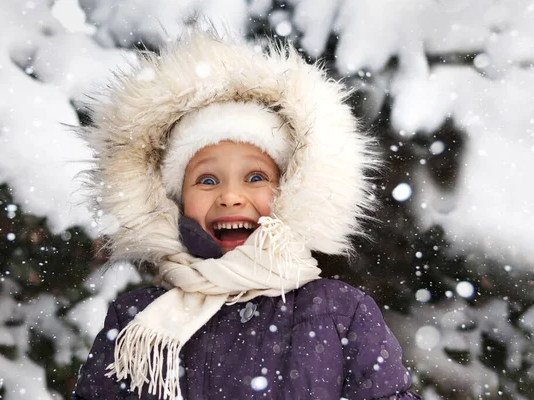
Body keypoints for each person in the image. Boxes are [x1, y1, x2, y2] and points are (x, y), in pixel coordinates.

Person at [72, 31, 421, 400]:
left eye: (255, 177)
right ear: (175, 200)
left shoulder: (338, 312)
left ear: (293, 189)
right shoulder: (140, 321)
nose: (231, 196)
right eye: (207, 179)